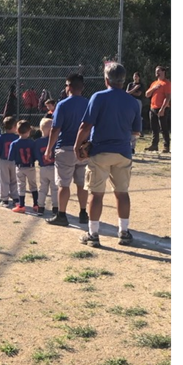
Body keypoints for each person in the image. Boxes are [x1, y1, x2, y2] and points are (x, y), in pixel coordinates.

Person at [74, 62, 142, 247]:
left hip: (100, 151)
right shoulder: (132, 101)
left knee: (96, 194)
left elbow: (85, 126)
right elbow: (136, 132)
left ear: (106, 80)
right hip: (123, 151)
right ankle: (124, 232)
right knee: (122, 193)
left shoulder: (98, 97)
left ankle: (93, 234)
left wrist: (77, 145)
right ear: (123, 80)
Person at [45, 73, 90, 227]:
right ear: (82, 87)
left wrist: (48, 149)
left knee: (64, 184)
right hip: (84, 149)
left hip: (65, 148)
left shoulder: (62, 105)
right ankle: (83, 213)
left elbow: (55, 129)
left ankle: (62, 215)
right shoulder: (88, 103)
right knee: (82, 183)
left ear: (69, 87)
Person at [9, 120, 38, 213]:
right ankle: (36, 204)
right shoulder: (32, 143)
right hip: (30, 167)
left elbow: (10, 157)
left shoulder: (14, 143)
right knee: (33, 185)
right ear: (29, 131)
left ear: (17, 131)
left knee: (21, 186)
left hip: (20, 167)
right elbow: (36, 155)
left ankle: (21, 205)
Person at [144, 65, 172, 153]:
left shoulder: (167, 83)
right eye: (156, 70)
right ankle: (154, 145)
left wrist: (162, 109)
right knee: (154, 127)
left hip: (162, 108)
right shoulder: (154, 83)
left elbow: (168, 97)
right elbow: (147, 94)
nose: (157, 72)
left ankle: (166, 146)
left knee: (163, 128)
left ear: (163, 72)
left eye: (158, 70)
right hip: (153, 108)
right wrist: (153, 88)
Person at [33, 118, 58, 216]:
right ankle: (55, 208)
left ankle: (40, 207)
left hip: (43, 167)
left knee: (42, 188)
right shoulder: (55, 141)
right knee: (55, 188)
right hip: (53, 167)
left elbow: (35, 155)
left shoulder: (37, 142)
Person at [0, 116, 20, 207]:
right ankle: (16, 198)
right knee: (14, 180)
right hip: (14, 161)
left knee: (4, 180)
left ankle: (4, 199)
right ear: (14, 126)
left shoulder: (0, 137)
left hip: (3, 160)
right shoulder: (17, 137)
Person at [125, 72, 144, 154]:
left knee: (136, 119)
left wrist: (132, 91)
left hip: (137, 101)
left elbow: (139, 94)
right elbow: (127, 93)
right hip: (129, 101)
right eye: (134, 76)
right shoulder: (130, 84)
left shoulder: (141, 85)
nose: (135, 77)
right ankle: (127, 144)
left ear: (139, 77)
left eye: (136, 76)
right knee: (129, 120)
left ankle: (133, 146)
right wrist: (135, 88)